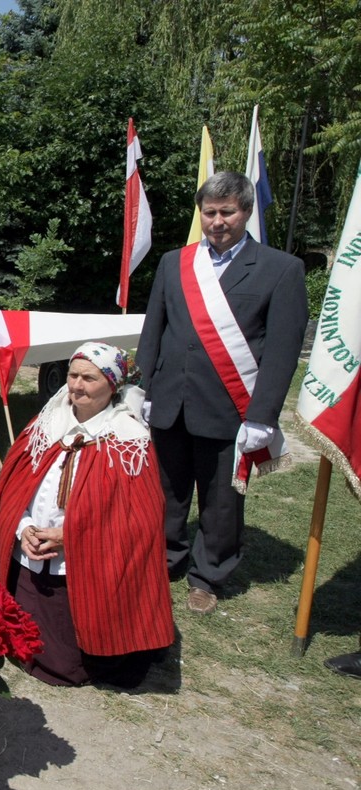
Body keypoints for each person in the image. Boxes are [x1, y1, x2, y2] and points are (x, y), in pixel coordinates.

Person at [136, 171, 308, 615]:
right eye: (209, 212)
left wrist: (263, 415)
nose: (217, 221)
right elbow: (154, 328)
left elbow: (283, 350)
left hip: (230, 406)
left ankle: (208, 574)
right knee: (166, 491)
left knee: (220, 501)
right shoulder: (175, 262)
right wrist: (145, 387)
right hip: (170, 400)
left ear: (246, 212)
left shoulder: (281, 269)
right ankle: (165, 558)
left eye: (227, 212)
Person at [0, 342, 175, 687]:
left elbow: (141, 523)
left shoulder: (129, 440)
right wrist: (23, 526)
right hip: (30, 559)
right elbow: (13, 491)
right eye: (73, 375)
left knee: (73, 659)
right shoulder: (46, 425)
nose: (76, 385)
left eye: (89, 378)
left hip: (87, 574)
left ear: (112, 384)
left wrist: (71, 537)